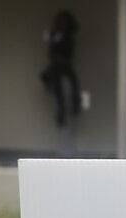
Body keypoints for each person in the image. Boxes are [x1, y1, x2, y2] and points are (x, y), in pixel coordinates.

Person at [42, 11, 81, 156]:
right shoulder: (54, 36)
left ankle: (68, 149)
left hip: (65, 76)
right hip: (58, 76)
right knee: (61, 111)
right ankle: (64, 148)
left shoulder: (67, 38)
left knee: (66, 110)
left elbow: (61, 53)